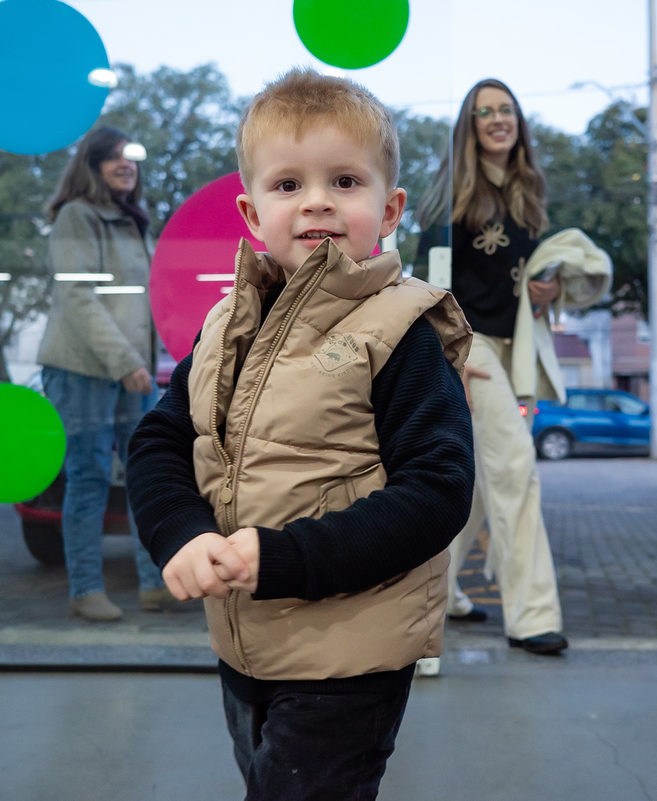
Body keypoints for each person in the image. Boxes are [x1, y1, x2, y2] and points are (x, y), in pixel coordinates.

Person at [126, 68, 475, 801]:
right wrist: (180, 533)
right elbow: (160, 439)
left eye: (345, 180)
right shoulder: (227, 324)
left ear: (390, 208)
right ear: (253, 214)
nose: (317, 199)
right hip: (245, 639)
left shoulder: (401, 331)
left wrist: (284, 556)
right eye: (289, 185)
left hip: (349, 654)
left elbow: (437, 491)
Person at [414, 79, 571, 655]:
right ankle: (532, 617)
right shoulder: (450, 194)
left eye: (506, 110)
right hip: (467, 343)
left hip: (513, 346)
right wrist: (446, 359)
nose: (498, 119)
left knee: (478, 486)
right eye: (486, 112)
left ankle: (438, 593)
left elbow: (525, 278)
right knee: (515, 470)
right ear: (470, 124)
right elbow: (428, 285)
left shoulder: (527, 192)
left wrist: (547, 289)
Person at [36, 126, 179, 621]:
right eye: (114, 158)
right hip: (83, 369)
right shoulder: (77, 216)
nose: (126, 165)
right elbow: (78, 296)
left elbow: (147, 301)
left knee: (144, 475)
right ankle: (84, 589)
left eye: (132, 158)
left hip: (129, 371)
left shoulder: (133, 221)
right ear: (92, 164)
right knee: (89, 477)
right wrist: (127, 363)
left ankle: (155, 583)